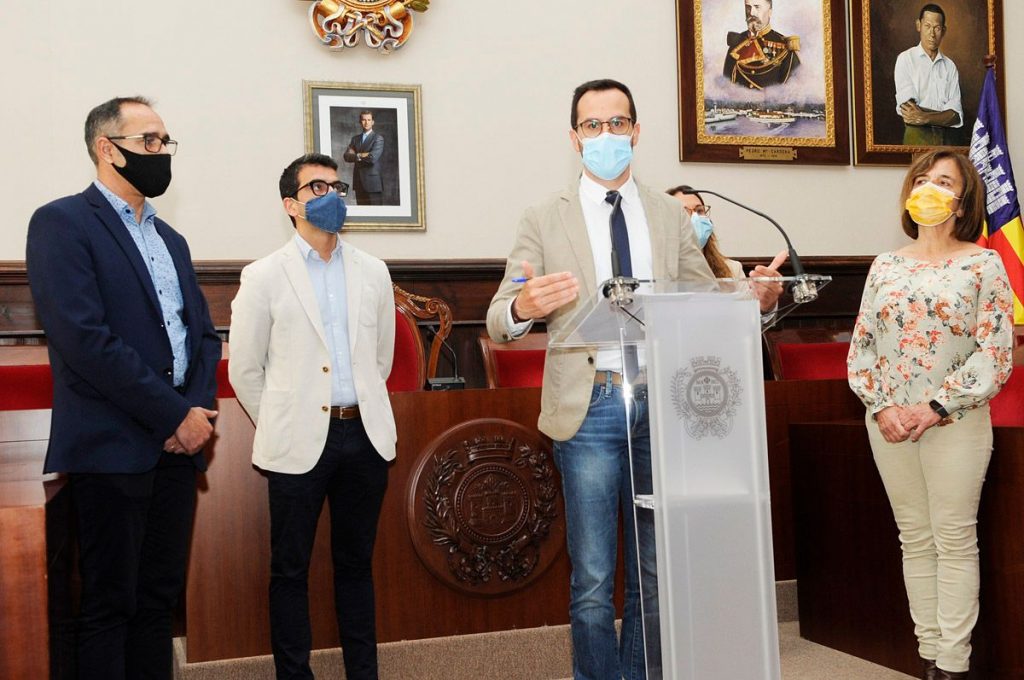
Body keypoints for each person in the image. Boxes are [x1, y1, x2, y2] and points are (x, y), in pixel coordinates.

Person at [487, 78, 715, 680]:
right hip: (589, 407)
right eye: (593, 126)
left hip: (662, 402)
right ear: (574, 138)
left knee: (656, 571)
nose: (606, 136)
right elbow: (498, 314)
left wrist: (756, 301)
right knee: (592, 578)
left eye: (618, 124)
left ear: (637, 133)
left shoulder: (669, 213)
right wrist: (523, 307)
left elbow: (704, 297)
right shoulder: (543, 217)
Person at [25, 96, 221, 680]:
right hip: (111, 446)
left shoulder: (173, 240)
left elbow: (204, 338)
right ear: (107, 148)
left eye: (166, 142)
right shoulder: (61, 223)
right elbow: (85, 341)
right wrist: (171, 417)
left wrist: (195, 413)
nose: (162, 153)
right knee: (110, 605)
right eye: (150, 142)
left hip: (177, 449)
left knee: (158, 602)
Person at [229, 153, 396, 680]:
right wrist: (283, 418)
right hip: (299, 442)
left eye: (336, 185)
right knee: (290, 570)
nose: (330, 195)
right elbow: (245, 370)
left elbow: (382, 358)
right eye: (315, 186)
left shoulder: (373, 271)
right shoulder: (262, 276)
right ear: (291, 204)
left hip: (364, 437)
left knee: (356, 567)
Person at [847, 150, 1013, 680]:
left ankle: (955, 663)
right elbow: (862, 347)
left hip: (954, 421)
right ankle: (929, 658)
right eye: (922, 178)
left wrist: (936, 406)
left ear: (963, 201)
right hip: (890, 423)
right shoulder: (885, 265)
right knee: (914, 538)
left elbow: (996, 351)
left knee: (954, 537)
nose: (929, 188)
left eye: (944, 181)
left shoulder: (983, 263)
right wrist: (883, 406)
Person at [666, 184, 787, 312]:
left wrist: (764, 305)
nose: (694, 217)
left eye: (699, 211)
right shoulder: (654, 271)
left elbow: (751, 321)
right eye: (683, 212)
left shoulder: (732, 270)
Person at [894, 4, 963, 146]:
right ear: (918, 25)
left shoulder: (950, 66)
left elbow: (956, 116)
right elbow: (909, 113)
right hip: (916, 139)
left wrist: (924, 117)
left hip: (947, 142)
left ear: (943, 31)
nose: (932, 34)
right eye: (927, 26)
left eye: (937, 28)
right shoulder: (905, 59)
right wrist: (943, 116)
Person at [723, 0, 801, 89]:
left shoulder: (785, 47)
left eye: (757, 7)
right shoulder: (737, 43)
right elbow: (726, 86)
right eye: (748, 7)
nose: (751, 12)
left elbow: (793, 92)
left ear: (770, 12)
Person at [343, 110, 385, 205]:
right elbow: (346, 156)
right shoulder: (355, 139)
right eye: (364, 120)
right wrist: (361, 155)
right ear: (360, 122)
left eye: (369, 120)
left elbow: (372, 158)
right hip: (359, 182)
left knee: (376, 215)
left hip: (373, 183)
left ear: (372, 122)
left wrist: (355, 155)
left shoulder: (378, 138)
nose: (366, 122)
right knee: (362, 214)